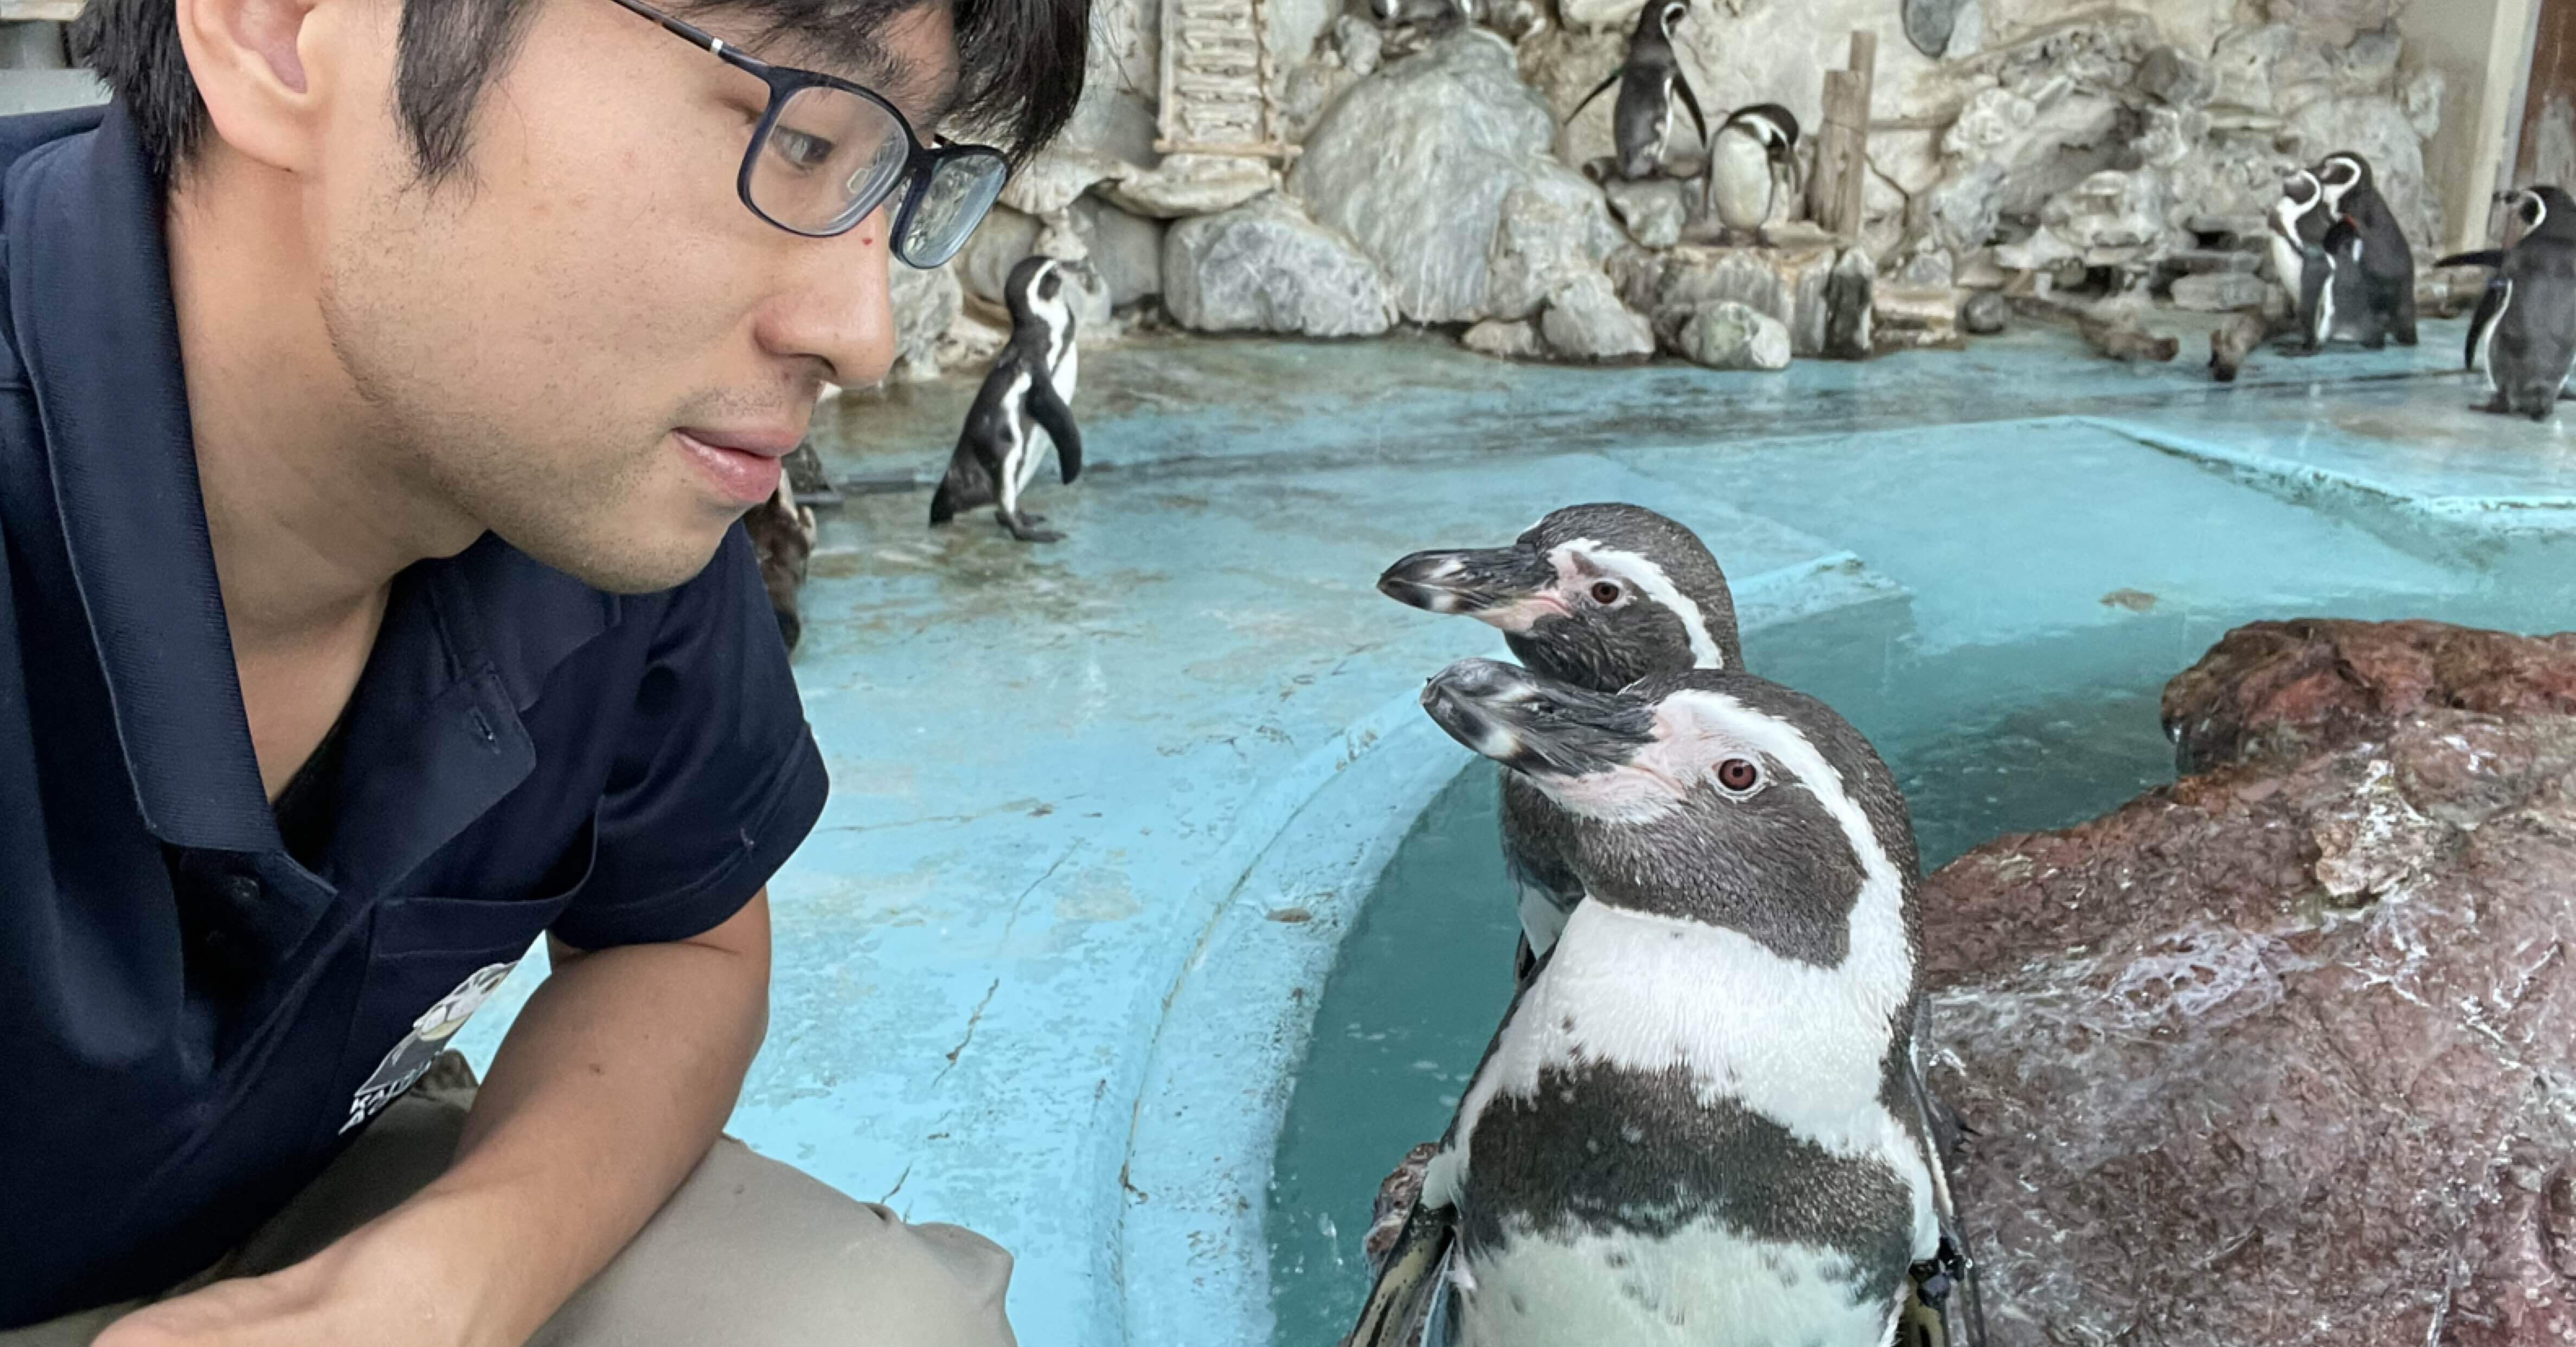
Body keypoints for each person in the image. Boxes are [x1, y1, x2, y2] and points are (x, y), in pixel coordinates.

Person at [0, 0, 1084, 1337]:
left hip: (287, 1197)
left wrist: (447, 1283)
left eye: (892, 177)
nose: (862, 336)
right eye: (799, 138)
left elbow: (681, 939)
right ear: (282, 30)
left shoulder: (572, 476)